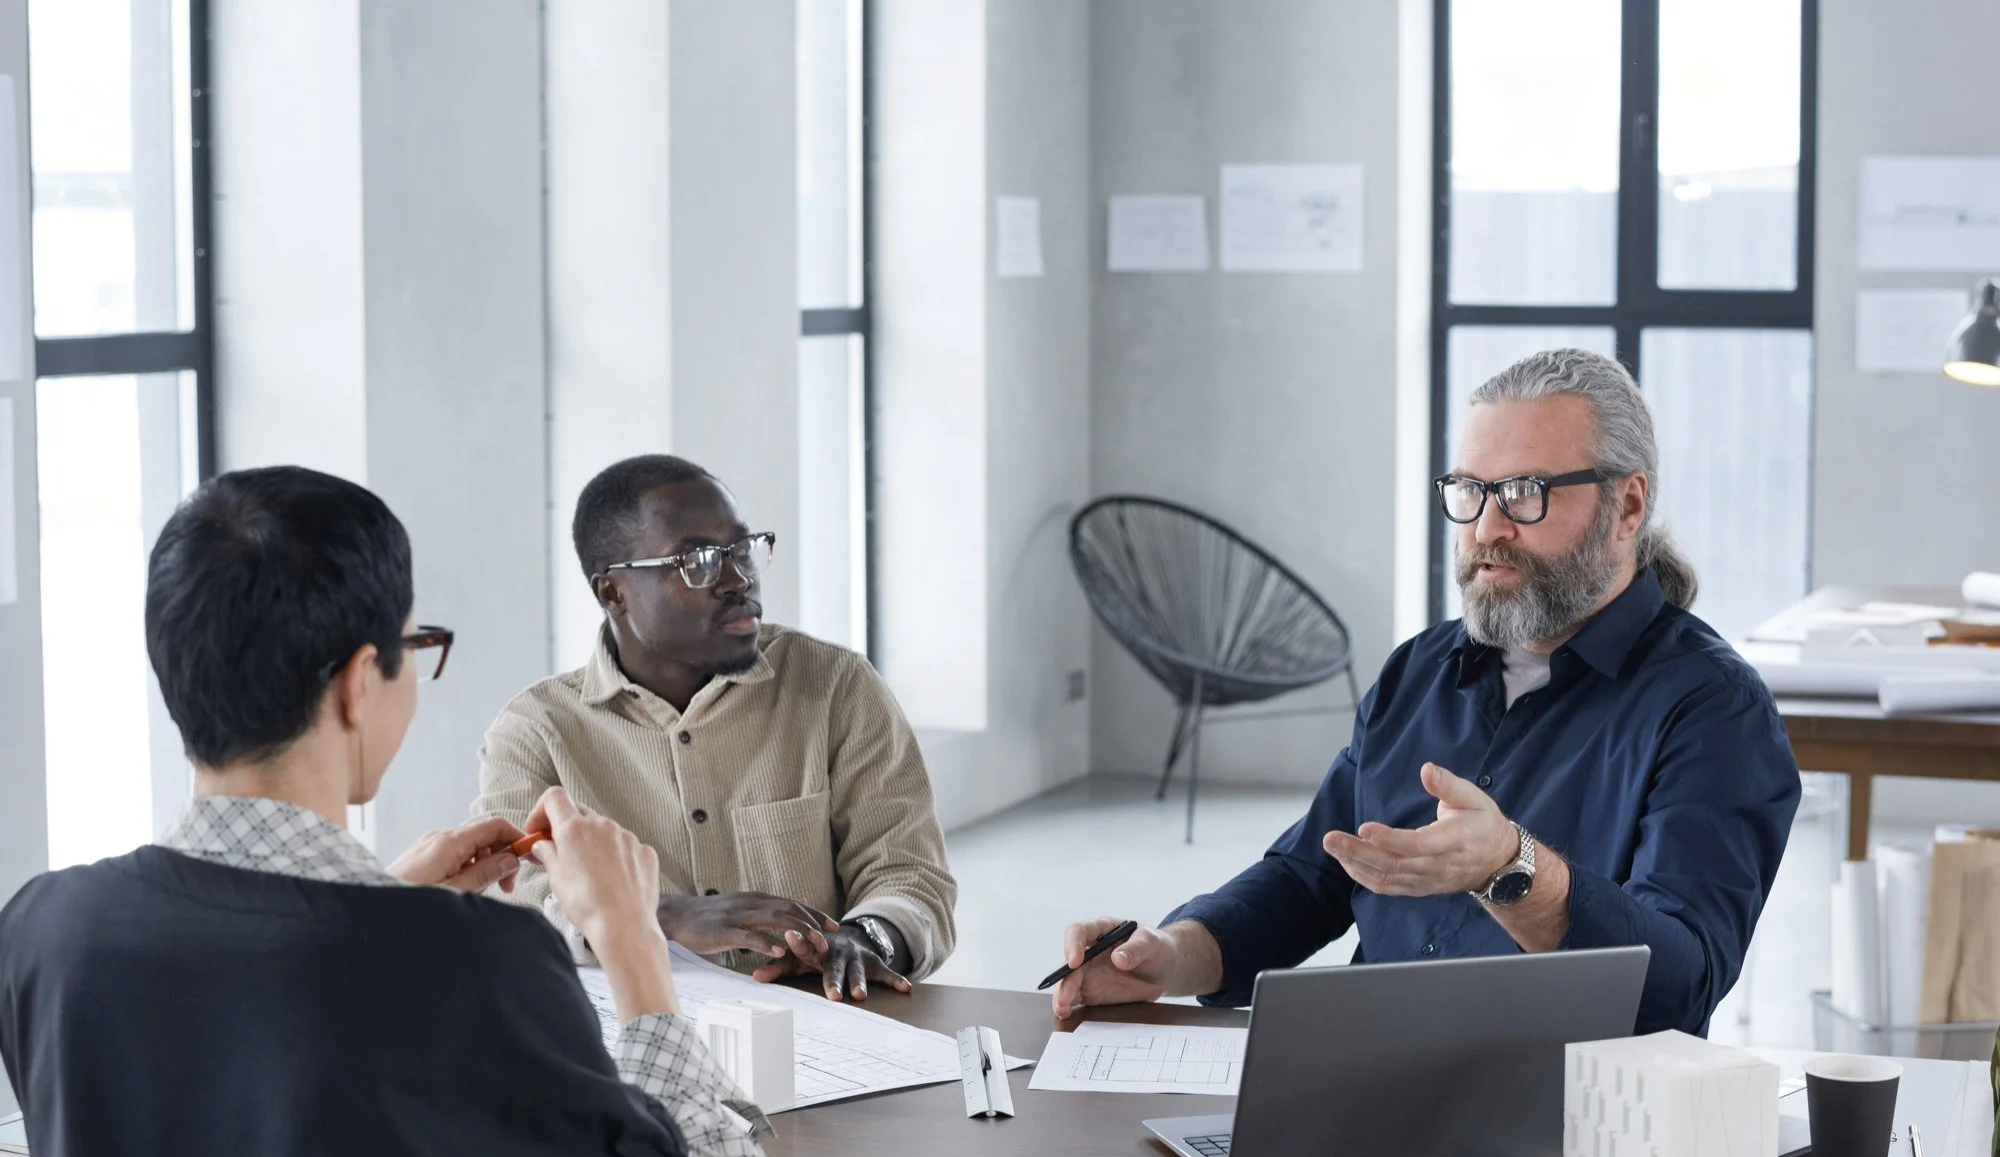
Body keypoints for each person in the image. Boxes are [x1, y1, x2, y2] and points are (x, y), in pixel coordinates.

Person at [0, 467, 764, 1157]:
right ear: (360, 682)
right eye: (415, 648)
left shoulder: (43, 929)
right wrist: (633, 945)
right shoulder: (478, 961)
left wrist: (383, 900)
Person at [1053, 348, 1801, 1037]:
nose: (1487, 528)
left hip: (1565, 1118)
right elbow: (1312, 875)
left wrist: (1515, 868)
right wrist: (1168, 956)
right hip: (1367, 1084)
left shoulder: (1713, 709)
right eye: (1472, 491)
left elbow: (1682, 982)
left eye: (1525, 493)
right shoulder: (1421, 670)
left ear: (1628, 507)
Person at [474, 455, 956, 1003]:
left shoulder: (836, 686)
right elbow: (508, 910)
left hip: (820, 1033)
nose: (739, 578)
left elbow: (909, 873)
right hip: (630, 1043)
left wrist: (868, 936)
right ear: (612, 593)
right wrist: (651, 915)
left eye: (743, 549)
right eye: (698, 560)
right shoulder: (535, 731)